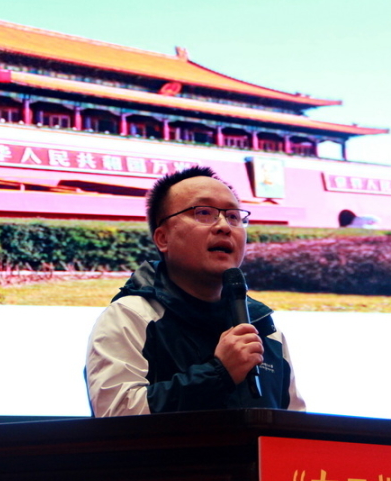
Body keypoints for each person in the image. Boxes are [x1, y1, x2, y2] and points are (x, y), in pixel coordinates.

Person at [85, 166, 305, 416]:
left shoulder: (265, 330)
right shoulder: (131, 317)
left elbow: (294, 426)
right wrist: (219, 373)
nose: (224, 226)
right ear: (163, 238)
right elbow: (116, 414)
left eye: (233, 216)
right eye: (203, 213)